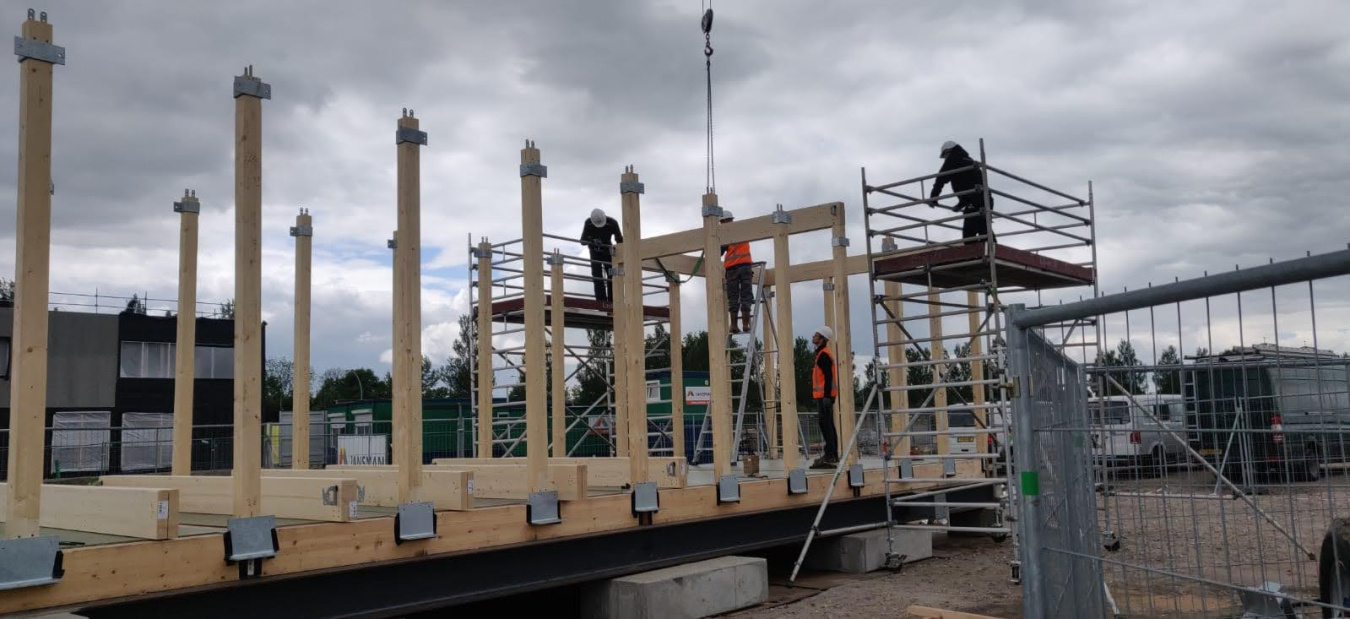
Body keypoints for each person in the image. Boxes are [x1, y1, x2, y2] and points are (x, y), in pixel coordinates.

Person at [928, 141, 994, 245]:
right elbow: (968, 183)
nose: (945, 159)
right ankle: (991, 252)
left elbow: (941, 178)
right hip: (983, 200)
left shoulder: (953, 159)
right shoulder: (968, 160)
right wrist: (961, 203)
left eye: (945, 156)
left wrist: (933, 197)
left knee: (969, 235)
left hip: (976, 202)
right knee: (984, 230)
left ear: (948, 152)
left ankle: (977, 256)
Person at [810, 326, 840, 469]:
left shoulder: (823, 355)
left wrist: (827, 396)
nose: (813, 337)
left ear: (822, 339)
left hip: (825, 397)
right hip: (825, 396)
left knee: (825, 424)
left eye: (816, 335)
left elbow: (828, 377)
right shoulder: (822, 354)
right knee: (828, 424)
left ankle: (830, 455)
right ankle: (832, 454)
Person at [719, 211, 753, 334]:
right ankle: (745, 325)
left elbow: (718, 252)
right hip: (744, 267)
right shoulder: (741, 229)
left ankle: (734, 325)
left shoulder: (723, 233)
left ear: (723, 221)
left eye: (721, 222)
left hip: (732, 269)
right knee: (746, 296)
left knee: (733, 297)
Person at [580, 208, 623, 304]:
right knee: (597, 276)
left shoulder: (612, 223)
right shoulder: (588, 223)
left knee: (612, 274)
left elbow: (620, 240)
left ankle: (613, 300)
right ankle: (600, 301)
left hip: (608, 252)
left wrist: (621, 255)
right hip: (595, 252)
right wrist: (592, 240)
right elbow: (582, 241)